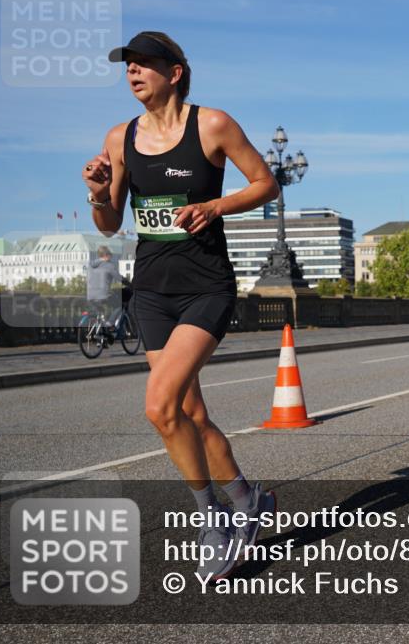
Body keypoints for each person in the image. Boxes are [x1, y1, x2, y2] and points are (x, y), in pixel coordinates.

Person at [83, 32, 280, 581]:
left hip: (206, 286)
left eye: (144, 63)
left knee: (158, 405)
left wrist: (215, 205)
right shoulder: (119, 138)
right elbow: (110, 221)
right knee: (188, 413)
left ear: (175, 72)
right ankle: (248, 498)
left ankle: (212, 519)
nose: (133, 72)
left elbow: (267, 183)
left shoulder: (212, 124)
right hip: (150, 291)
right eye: (128, 66)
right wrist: (99, 191)